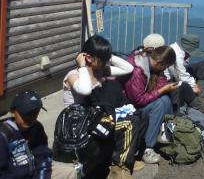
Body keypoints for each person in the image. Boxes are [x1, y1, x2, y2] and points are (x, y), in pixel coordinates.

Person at [62, 35, 144, 177]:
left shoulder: (99, 70)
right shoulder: (73, 75)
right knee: (129, 123)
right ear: (88, 58)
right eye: (103, 58)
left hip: (97, 117)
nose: (106, 62)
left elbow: (128, 68)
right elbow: (85, 90)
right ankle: (120, 168)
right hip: (79, 124)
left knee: (138, 116)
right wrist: (82, 66)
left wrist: (108, 55)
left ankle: (126, 158)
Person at [124, 45, 178, 164]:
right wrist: (162, 90)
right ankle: (148, 148)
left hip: (140, 102)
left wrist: (165, 87)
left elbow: (160, 82)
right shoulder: (137, 70)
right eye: (166, 67)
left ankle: (166, 132)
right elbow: (138, 100)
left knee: (165, 99)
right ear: (160, 63)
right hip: (129, 107)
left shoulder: (153, 65)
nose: (165, 69)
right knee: (160, 103)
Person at [0, 90, 52, 178]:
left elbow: (43, 156)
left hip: (36, 174)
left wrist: (42, 176)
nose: (32, 117)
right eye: (26, 113)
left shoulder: (36, 127)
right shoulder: (3, 136)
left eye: (35, 112)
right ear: (13, 112)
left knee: (69, 172)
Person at [165, 33, 204, 100]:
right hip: (172, 80)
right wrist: (194, 85)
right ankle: (201, 96)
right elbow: (180, 75)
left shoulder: (182, 49)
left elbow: (183, 69)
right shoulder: (176, 54)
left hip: (182, 72)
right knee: (202, 69)